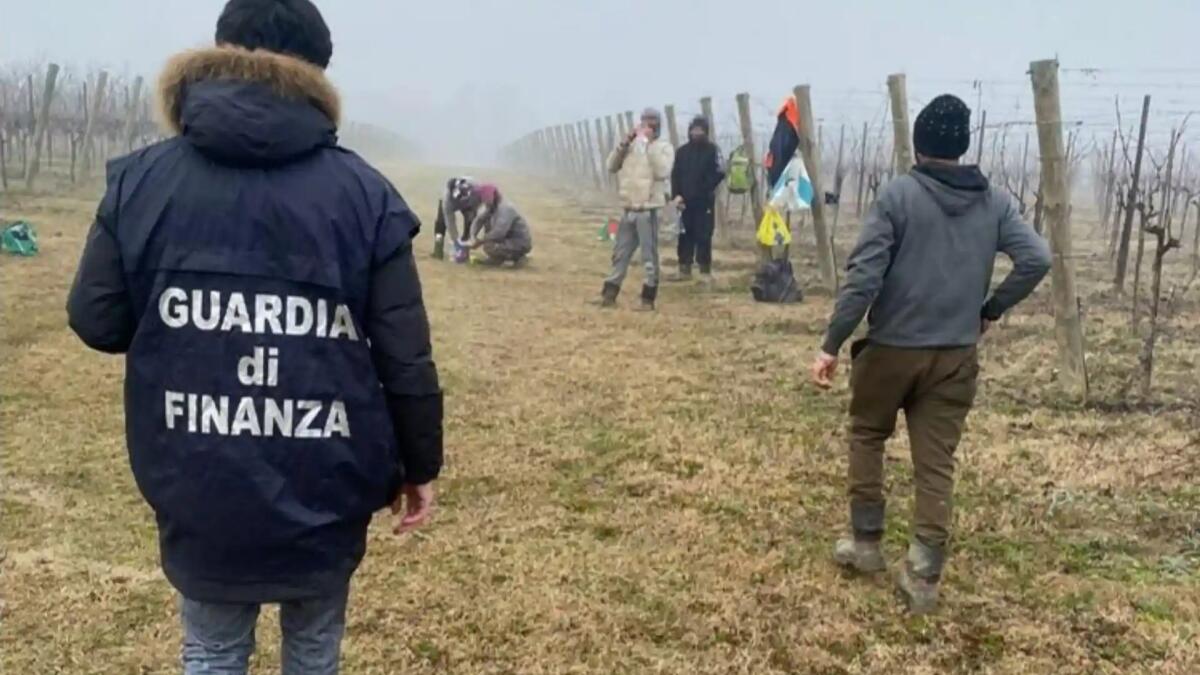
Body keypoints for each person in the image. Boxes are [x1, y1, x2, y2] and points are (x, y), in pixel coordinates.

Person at [65, 1, 444, 672]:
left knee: (211, 649)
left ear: (221, 51)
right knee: (313, 649)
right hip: (330, 480)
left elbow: (98, 321)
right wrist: (420, 467)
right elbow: (404, 355)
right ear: (317, 74)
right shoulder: (364, 194)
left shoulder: (142, 181)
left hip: (197, 475)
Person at [810, 94, 1051, 615]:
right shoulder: (996, 202)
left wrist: (831, 344)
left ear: (917, 143)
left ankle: (867, 545)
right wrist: (991, 309)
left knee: (868, 434)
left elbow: (863, 279)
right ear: (963, 146)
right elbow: (1038, 257)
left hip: (892, 347)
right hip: (956, 355)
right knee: (935, 462)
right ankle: (924, 576)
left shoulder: (897, 197)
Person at [599, 107, 675, 310]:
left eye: (652, 121)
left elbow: (662, 171)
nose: (648, 125)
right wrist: (624, 144)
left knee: (649, 256)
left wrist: (648, 145)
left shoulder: (664, 147)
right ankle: (609, 293)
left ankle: (648, 298)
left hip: (648, 209)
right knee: (620, 253)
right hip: (628, 207)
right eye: (644, 121)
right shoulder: (630, 146)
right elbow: (611, 166)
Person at [669, 116, 725, 284]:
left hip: (704, 202)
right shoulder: (682, 152)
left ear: (706, 132)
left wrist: (705, 188)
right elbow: (675, 175)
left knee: (704, 235)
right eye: (694, 130)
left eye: (700, 130)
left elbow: (720, 172)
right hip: (684, 203)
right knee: (685, 235)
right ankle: (684, 268)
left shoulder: (713, 151)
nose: (697, 133)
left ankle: (704, 271)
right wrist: (676, 195)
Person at [462, 184, 533, 266]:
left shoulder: (505, 209)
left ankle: (517, 258)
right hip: (509, 239)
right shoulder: (493, 207)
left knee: (489, 246)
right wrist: (473, 236)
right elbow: (479, 220)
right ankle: (504, 258)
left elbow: (499, 232)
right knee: (487, 224)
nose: (485, 204)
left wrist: (480, 241)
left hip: (519, 242)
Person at [432, 176, 480, 260]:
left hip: (470, 205)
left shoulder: (476, 189)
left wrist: (471, 236)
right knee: (441, 221)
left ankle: (464, 249)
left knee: (470, 220)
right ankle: (438, 249)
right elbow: (450, 222)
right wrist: (456, 240)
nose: (461, 200)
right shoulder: (447, 200)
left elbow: (476, 212)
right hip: (450, 204)